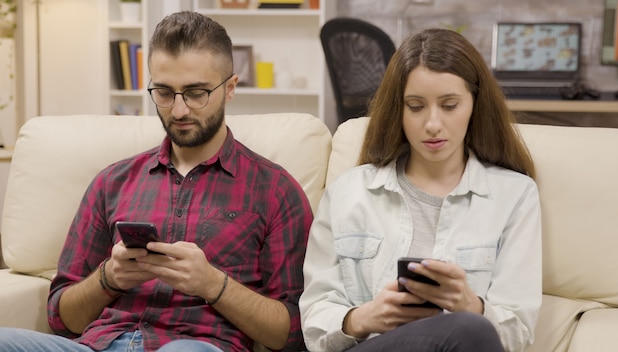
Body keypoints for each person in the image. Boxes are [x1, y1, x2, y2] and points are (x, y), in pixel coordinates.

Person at [0, 11, 312, 352]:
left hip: (194, 346)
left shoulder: (275, 191)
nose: (178, 110)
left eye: (196, 93)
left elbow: (293, 333)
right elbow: (62, 318)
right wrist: (108, 278)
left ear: (230, 89)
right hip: (98, 345)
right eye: (164, 93)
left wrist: (213, 284)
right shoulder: (112, 182)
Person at [299, 28, 542, 352]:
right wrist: (366, 317)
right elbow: (314, 322)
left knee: (470, 328)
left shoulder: (515, 196)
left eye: (450, 105)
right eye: (415, 106)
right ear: (397, 110)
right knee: (469, 331)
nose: (432, 124)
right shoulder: (349, 192)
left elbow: (518, 333)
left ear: (475, 104)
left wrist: (471, 305)